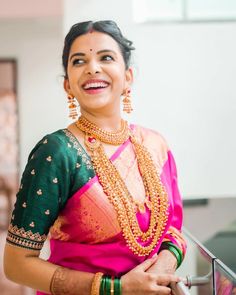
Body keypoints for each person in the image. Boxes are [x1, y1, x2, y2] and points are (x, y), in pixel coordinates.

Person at [3, 20, 187, 295]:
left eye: (106, 57)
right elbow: (17, 265)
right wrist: (116, 289)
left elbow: (174, 229)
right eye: (79, 61)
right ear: (68, 84)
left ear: (128, 76)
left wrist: (164, 266)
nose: (92, 68)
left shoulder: (155, 145)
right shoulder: (56, 152)